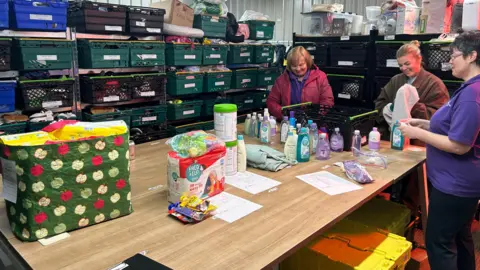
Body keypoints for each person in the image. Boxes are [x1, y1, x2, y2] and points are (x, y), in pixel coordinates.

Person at [399, 31, 480, 270]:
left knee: (439, 244)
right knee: (459, 237)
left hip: (454, 187)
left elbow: (460, 145)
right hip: (461, 185)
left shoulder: (472, 95)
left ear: (472, 56)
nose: (450, 61)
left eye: (454, 55)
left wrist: (418, 134)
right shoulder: (470, 89)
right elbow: (457, 127)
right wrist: (425, 124)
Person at [375, 41, 450, 139]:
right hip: (395, 137)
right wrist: (390, 108)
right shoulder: (396, 80)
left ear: (419, 59)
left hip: (421, 142)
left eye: (407, 63)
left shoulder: (435, 84)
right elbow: (379, 104)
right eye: (400, 65)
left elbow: (441, 119)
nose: (404, 68)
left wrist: (412, 105)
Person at [266, 46, 334, 119]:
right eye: (294, 66)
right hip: (289, 122)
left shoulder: (320, 77)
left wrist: (317, 115)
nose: (298, 69)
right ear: (289, 65)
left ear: (307, 62)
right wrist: (283, 114)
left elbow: (327, 100)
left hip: (313, 123)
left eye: (301, 65)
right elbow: (271, 101)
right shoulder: (281, 80)